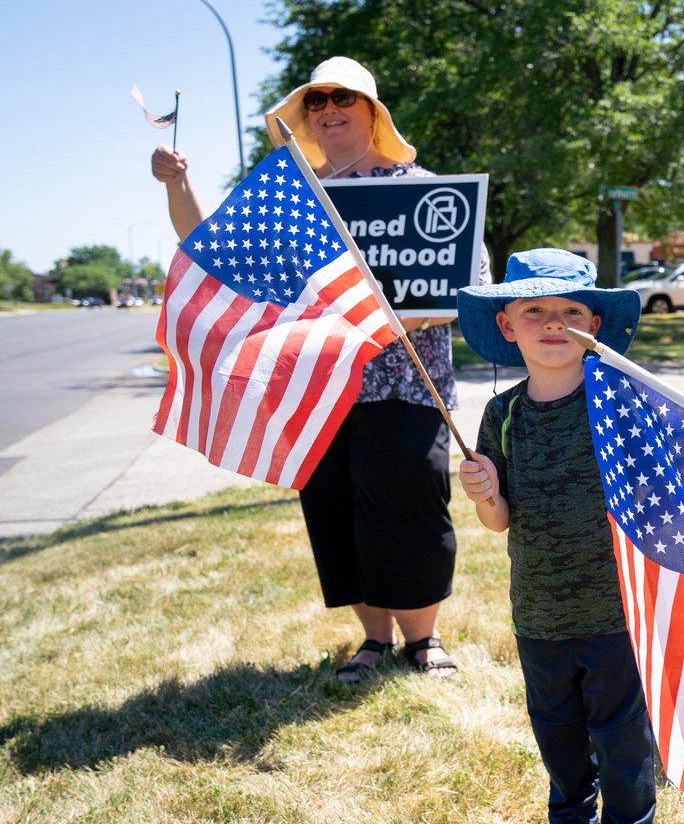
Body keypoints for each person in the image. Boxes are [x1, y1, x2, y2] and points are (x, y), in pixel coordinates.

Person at [149, 56, 474, 680]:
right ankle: (373, 640)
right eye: (316, 102)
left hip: (405, 383)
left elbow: (467, 285)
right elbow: (212, 249)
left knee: (412, 506)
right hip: (316, 388)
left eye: (342, 99)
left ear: (371, 113)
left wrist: (402, 318)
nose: (328, 110)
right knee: (335, 512)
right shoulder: (294, 201)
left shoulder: (426, 189)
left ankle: (424, 639)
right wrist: (175, 183)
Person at [455, 249, 658, 824]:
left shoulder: (615, 398)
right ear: (507, 324)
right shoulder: (502, 414)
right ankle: (571, 821)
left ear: (593, 323)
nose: (552, 323)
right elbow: (499, 520)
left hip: (612, 609)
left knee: (621, 735)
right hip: (538, 610)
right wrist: (486, 493)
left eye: (569, 311)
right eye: (534, 310)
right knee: (557, 728)